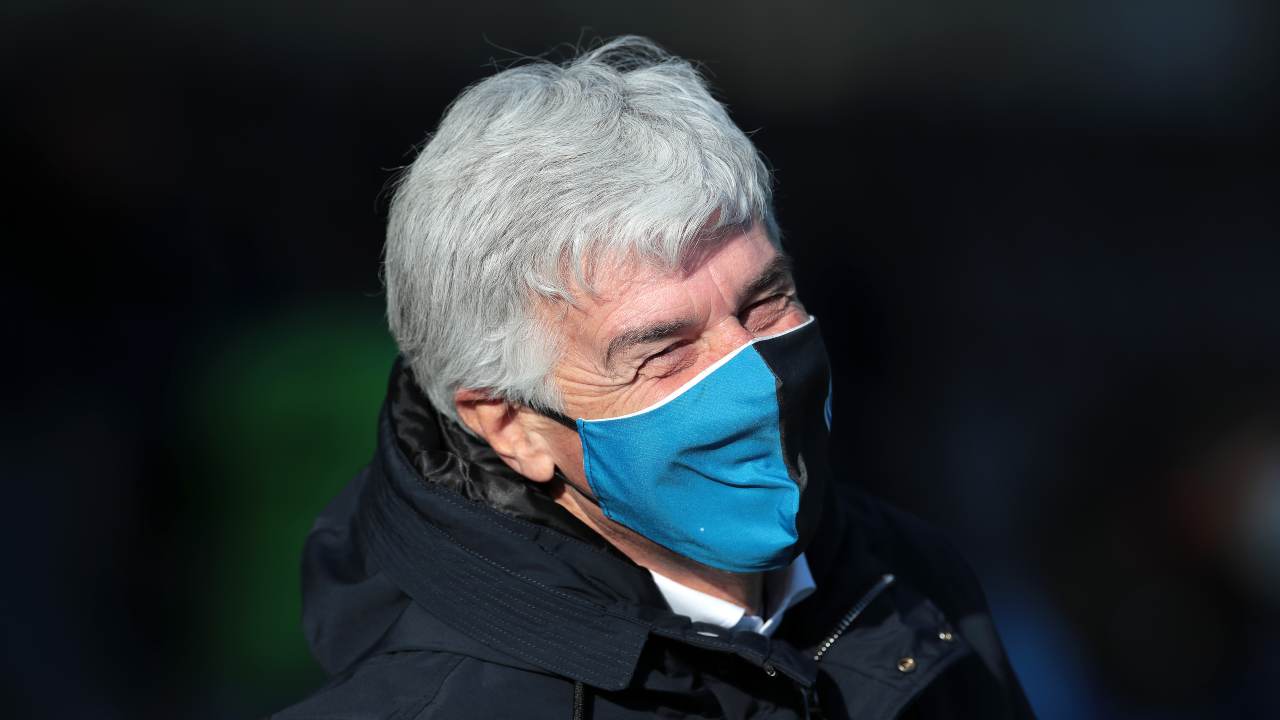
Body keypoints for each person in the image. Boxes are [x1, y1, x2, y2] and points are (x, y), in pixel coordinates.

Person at [274, 36, 1034, 720]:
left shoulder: (911, 586)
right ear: (510, 427)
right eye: (662, 351)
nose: (757, 379)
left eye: (766, 302)